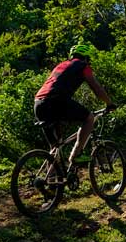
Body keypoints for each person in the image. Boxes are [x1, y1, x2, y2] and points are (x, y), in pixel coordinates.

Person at [34, 42, 115, 174]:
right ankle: (76, 155)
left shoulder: (61, 65)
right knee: (89, 118)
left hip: (38, 103)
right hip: (56, 101)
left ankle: (49, 182)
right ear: (86, 58)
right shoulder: (83, 66)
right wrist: (109, 103)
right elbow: (96, 88)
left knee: (56, 147)